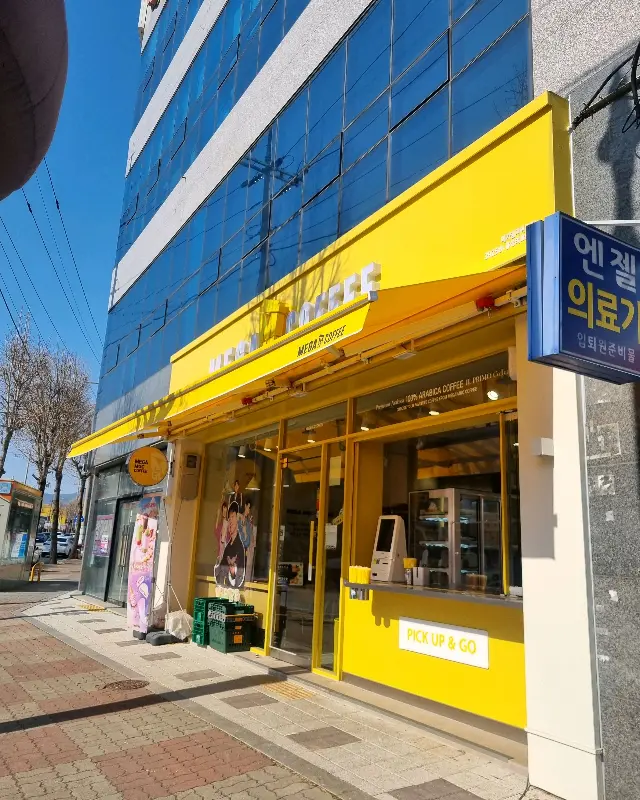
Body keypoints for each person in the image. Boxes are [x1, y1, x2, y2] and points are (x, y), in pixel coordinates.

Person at [216, 501, 246, 588]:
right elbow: (220, 572)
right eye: (229, 519)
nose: (230, 521)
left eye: (233, 517)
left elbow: (239, 578)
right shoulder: (227, 547)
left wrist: (233, 571)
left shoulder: (240, 547)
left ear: (237, 520)